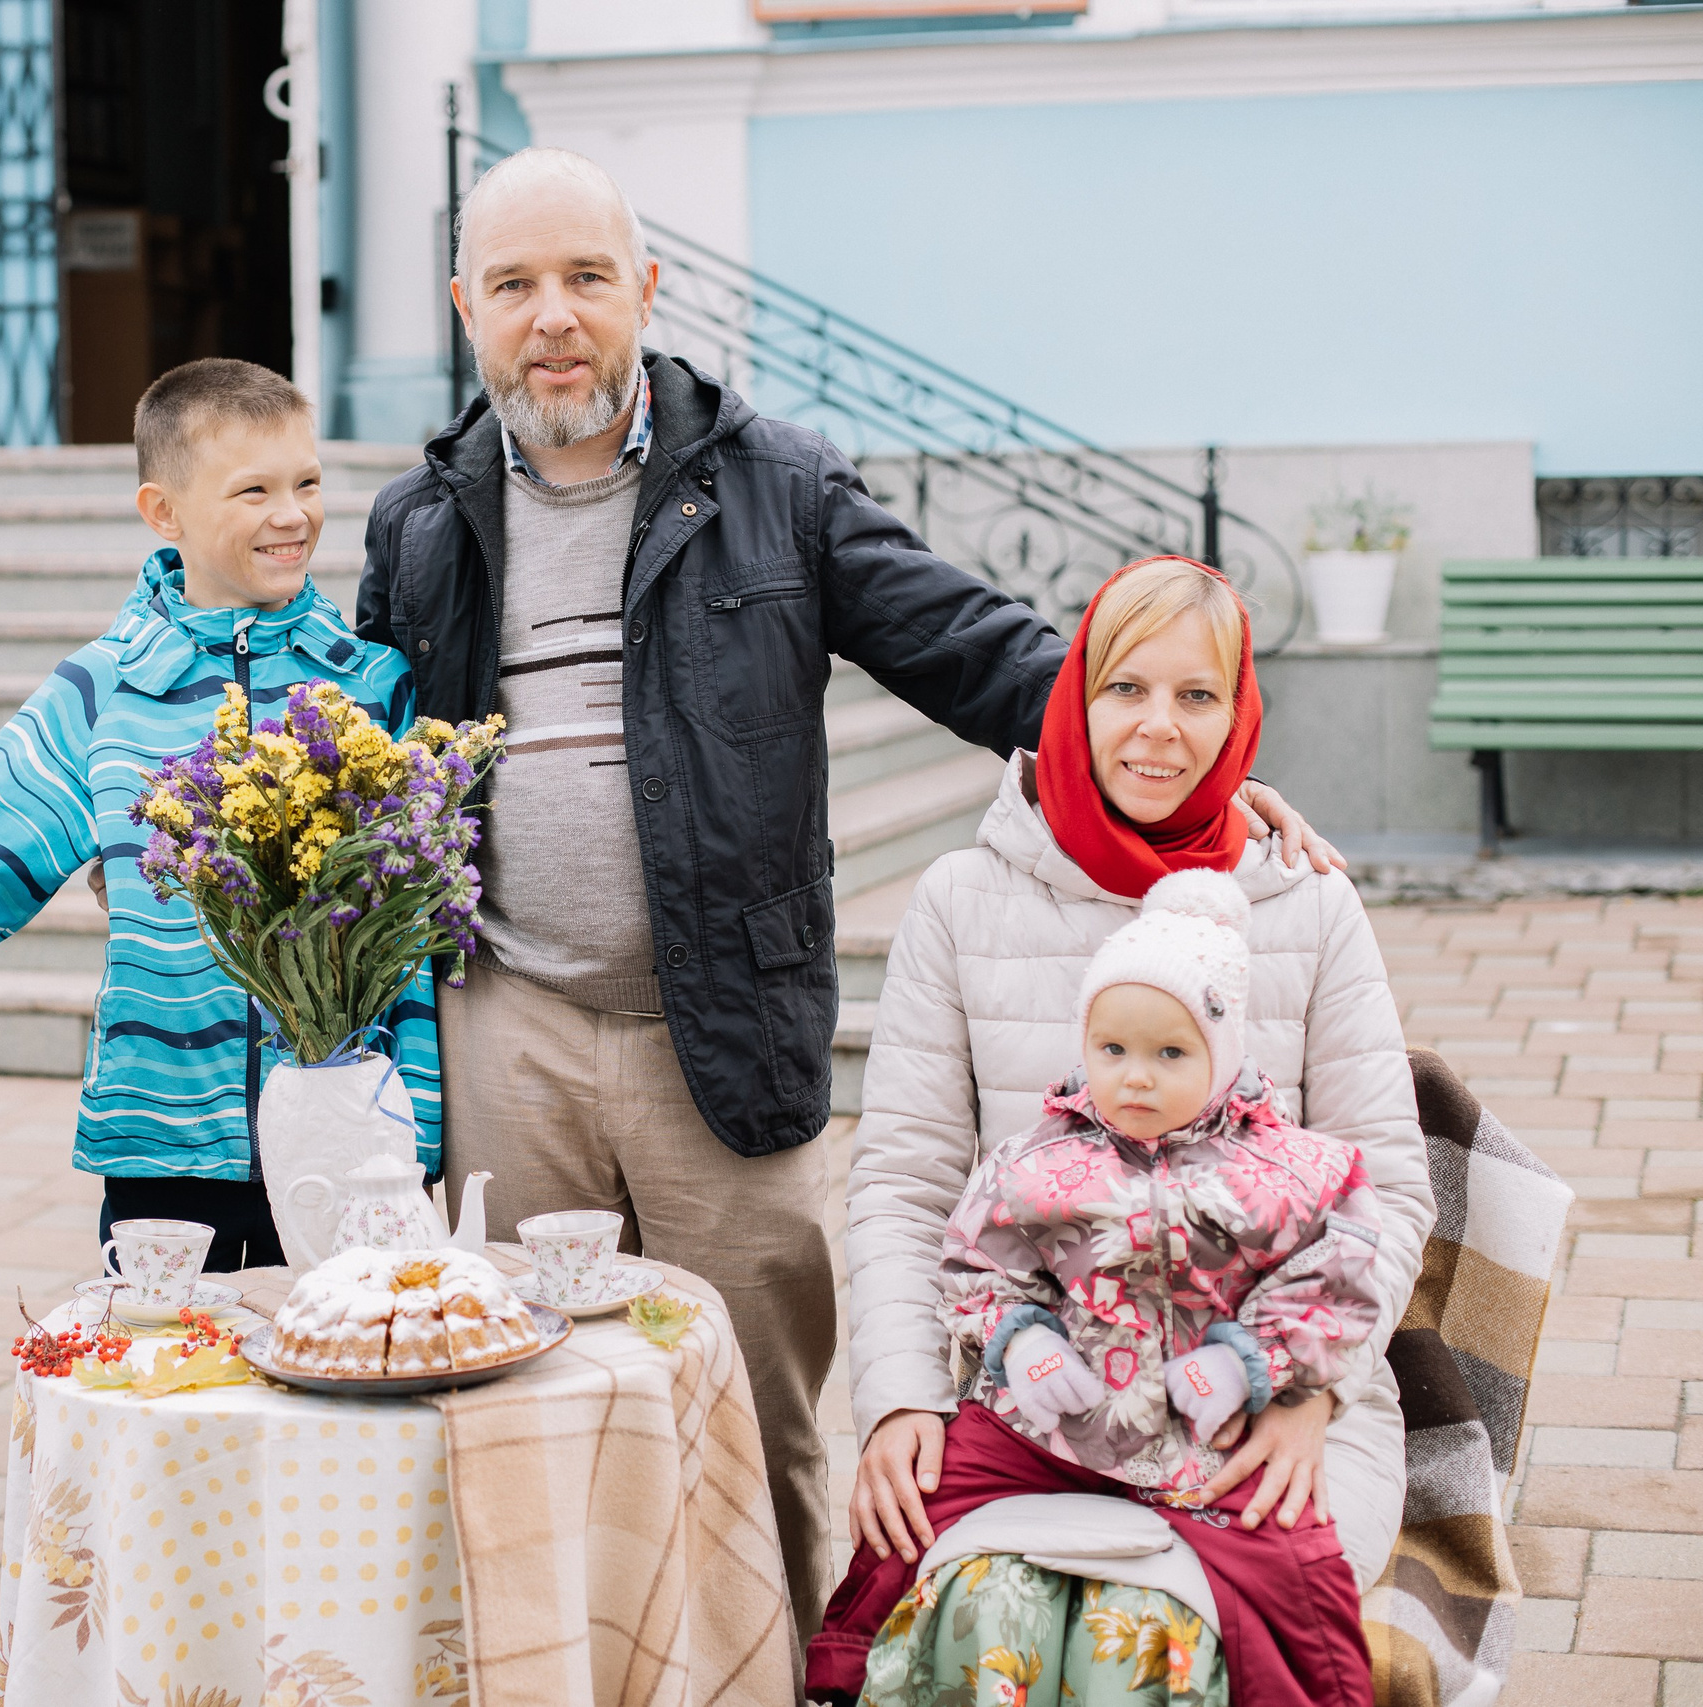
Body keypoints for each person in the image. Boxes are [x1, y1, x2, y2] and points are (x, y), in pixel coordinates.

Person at [354, 146, 1331, 1643]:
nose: (554, 317)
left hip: (719, 1030)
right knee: (530, 1403)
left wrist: (1161, 748)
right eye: (515, 285)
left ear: (648, 290)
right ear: (463, 307)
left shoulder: (774, 482)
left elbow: (974, 647)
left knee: (759, 1411)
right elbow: (359, 756)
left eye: (586, 277)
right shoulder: (415, 526)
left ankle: (801, 1668)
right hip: (508, 1025)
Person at [812, 556, 1433, 1702]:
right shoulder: (961, 898)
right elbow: (901, 1186)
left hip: (1259, 1392)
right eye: (1125, 690)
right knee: (967, 1615)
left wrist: (1302, 1393)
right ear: (1072, 699)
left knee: (1162, 1647)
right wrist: (902, 1392)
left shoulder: (1306, 902)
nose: (1160, 729)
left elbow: (1389, 1189)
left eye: (1197, 697)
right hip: (1022, 1388)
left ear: (1239, 711)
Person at [0, 358, 437, 1272]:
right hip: (163, 1144)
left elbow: (418, 935)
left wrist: (421, 1119)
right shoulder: (106, 691)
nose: (293, 515)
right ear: (166, 512)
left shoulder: (367, 685)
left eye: (308, 483)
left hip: (347, 1132)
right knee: (168, 1384)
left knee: (345, 1379)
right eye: (255, 490)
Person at [849, 867, 1385, 1704]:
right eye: (1113, 1050)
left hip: (1207, 1434)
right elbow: (971, 1260)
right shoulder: (1038, 1159)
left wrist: (1254, 1363)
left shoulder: (1287, 1168)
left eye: (1170, 1053)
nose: (1136, 1076)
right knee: (915, 1504)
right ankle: (845, 1660)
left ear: (1223, 1055)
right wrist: (1019, 1338)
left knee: (1291, 1557)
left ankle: (1322, 1690)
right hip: (1054, 1421)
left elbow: (1338, 1276)